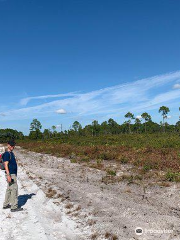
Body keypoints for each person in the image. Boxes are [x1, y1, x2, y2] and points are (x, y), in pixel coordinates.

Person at [2, 140, 23, 212]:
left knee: (9, 189)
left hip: (11, 174)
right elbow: (5, 164)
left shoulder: (11, 153)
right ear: (8, 145)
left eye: (13, 145)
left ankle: (6, 204)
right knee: (14, 189)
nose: (12, 147)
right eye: (11, 145)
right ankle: (14, 207)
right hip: (11, 174)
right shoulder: (7, 154)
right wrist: (8, 175)